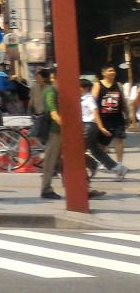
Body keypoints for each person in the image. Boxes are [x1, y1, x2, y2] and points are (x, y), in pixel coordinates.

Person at [39, 70, 105, 200]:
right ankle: (46, 189)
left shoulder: (63, 92)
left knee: (70, 158)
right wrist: (69, 128)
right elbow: (54, 114)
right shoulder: (51, 92)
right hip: (55, 132)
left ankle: (84, 188)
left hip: (64, 132)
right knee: (52, 160)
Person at [82, 77, 127, 182]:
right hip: (87, 125)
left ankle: (92, 165)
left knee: (78, 149)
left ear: (86, 88)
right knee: (96, 150)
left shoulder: (89, 99)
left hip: (89, 126)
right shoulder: (83, 98)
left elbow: (95, 112)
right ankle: (118, 168)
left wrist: (101, 127)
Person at [94, 66, 127, 163]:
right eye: (110, 71)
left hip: (117, 117)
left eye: (113, 71)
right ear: (103, 73)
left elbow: (123, 101)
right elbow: (93, 101)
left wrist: (128, 115)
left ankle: (119, 163)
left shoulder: (118, 85)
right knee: (102, 143)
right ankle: (101, 161)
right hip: (103, 118)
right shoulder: (98, 85)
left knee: (119, 139)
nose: (113, 72)